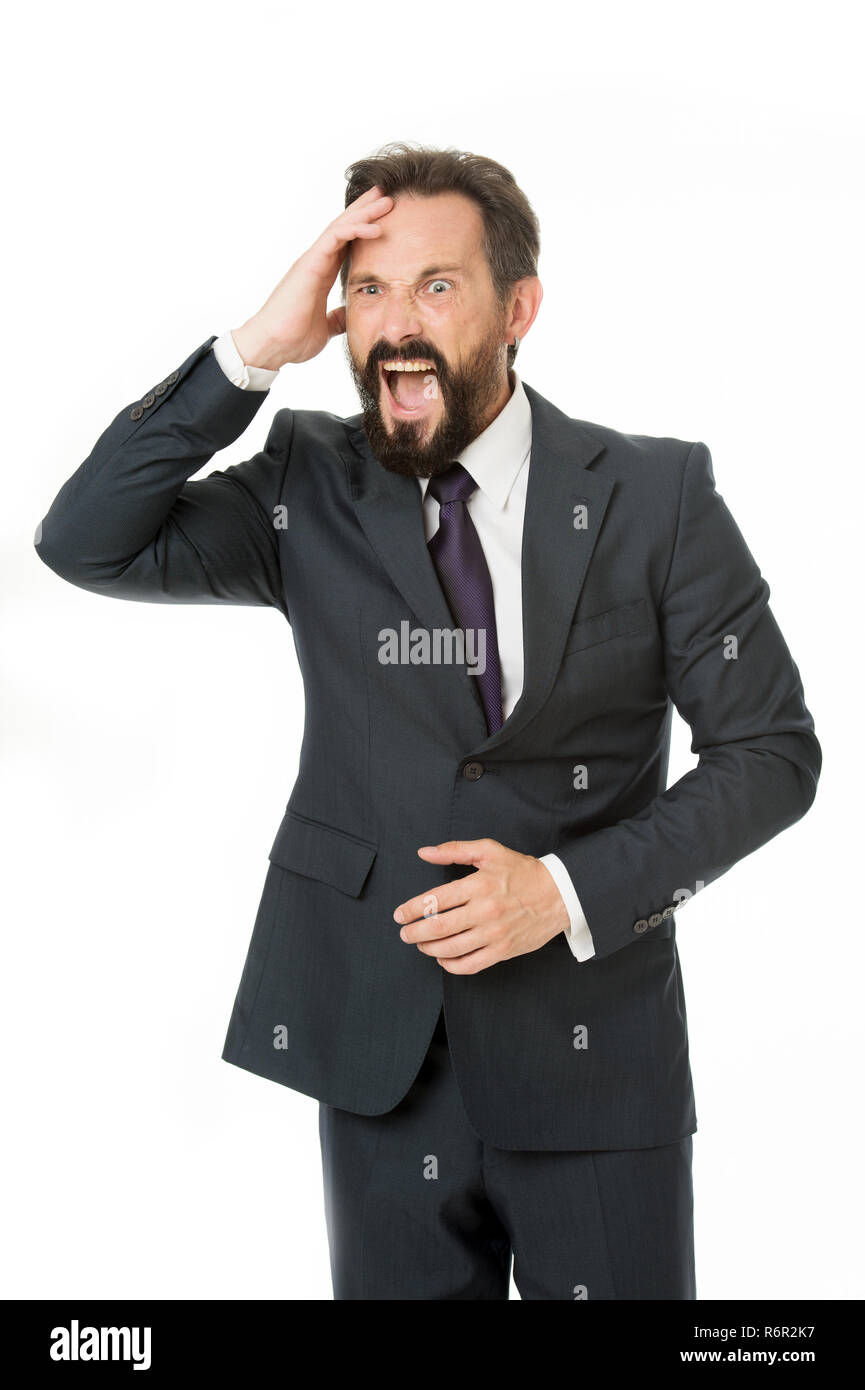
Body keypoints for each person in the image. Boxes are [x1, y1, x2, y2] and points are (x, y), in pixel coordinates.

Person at [35, 143, 821, 1300]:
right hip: (377, 1055)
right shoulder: (306, 482)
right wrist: (255, 349)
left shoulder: (656, 497)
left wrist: (558, 890)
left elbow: (771, 753)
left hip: (596, 1064)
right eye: (367, 289)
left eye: (435, 286)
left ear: (519, 308)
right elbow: (84, 538)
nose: (394, 326)